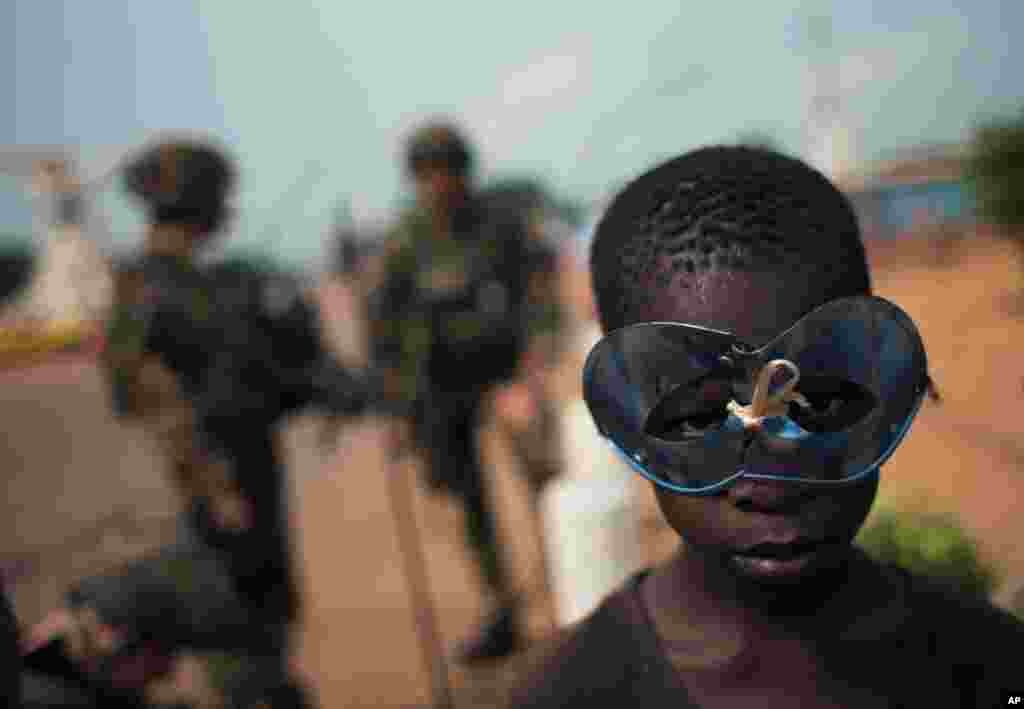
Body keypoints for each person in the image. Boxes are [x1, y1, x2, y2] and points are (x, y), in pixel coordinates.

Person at [508, 146, 1024, 707]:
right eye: (700, 418)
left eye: (822, 401)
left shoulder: (989, 664)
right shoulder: (574, 695)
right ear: (625, 422)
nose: (775, 486)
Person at [21, 137, 368, 708]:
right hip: (212, 524)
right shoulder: (154, 291)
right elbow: (154, 402)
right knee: (247, 666)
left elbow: (271, 381)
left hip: (243, 516)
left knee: (259, 646)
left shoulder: (202, 287)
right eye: (219, 197)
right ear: (198, 202)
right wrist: (214, 480)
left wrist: (319, 386)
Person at [369, 120, 552, 663]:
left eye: (449, 170)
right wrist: (399, 410)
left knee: (545, 486)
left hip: (505, 380)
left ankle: (572, 598)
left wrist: (531, 366)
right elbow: (385, 328)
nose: (440, 183)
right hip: (437, 394)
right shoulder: (404, 240)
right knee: (467, 509)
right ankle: (502, 613)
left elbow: (538, 294)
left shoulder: (500, 224)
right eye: (428, 173)